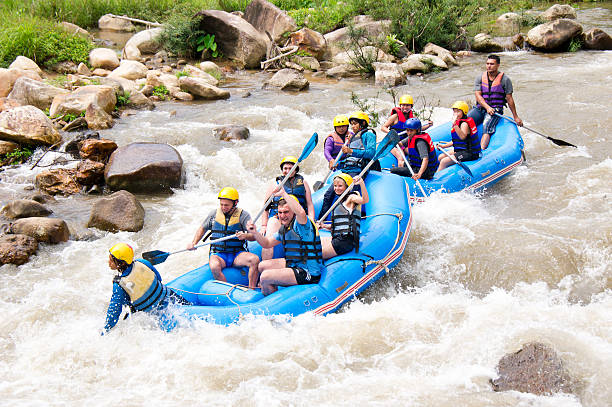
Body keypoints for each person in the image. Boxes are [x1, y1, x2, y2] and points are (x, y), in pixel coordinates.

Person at [246, 190, 324, 296]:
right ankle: (272, 289)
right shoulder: (284, 229)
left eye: (286, 212)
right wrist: (254, 232)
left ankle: (272, 301)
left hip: (308, 271)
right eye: (280, 212)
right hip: (294, 264)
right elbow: (267, 243)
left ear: (293, 212)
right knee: (262, 266)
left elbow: (301, 212)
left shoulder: (302, 224)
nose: (282, 215)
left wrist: (284, 194)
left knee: (264, 276)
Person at [103, 243, 191, 334]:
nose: (108, 262)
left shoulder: (119, 285)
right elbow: (159, 278)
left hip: (156, 314)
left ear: (121, 263)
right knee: (189, 308)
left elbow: (114, 311)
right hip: (171, 297)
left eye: (111, 260)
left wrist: (105, 330)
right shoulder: (142, 262)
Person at [187, 187, 260, 288]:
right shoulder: (214, 214)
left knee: (255, 260)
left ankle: (251, 288)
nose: (223, 207)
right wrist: (194, 243)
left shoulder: (243, 215)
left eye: (226, 205)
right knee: (214, 266)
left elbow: (253, 236)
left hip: (236, 254)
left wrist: (245, 236)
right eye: (221, 204)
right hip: (218, 254)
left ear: (235, 203)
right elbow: (202, 228)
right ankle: (228, 291)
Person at [320, 111, 376, 217]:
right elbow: (349, 159)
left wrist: (350, 151)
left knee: (348, 195)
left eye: (355, 124)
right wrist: (338, 164)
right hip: (347, 170)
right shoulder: (353, 137)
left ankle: (349, 219)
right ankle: (320, 221)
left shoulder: (369, 135)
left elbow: (371, 153)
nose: (352, 127)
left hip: (358, 170)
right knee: (328, 194)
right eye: (352, 124)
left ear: (363, 123)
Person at [260, 156, 315, 260]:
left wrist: (312, 220)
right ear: (282, 170)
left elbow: (309, 204)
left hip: (297, 217)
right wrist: (263, 225)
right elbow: (265, 207)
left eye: (291, 168)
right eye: (285, 168)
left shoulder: (303, 182)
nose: (287, 171)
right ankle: (265, 263)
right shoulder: (274, 184)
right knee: (269, 236)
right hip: (279, 217)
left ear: (295, 170)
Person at [468, 54, 523, 150]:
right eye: (487, 63)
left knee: (487, 126)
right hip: (481, 108)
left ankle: (481, 150)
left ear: (498, 65)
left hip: (495, 109)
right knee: (466, 121)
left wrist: (515, 117)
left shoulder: (505, 80)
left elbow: (509, 99)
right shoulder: (480, 77)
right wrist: (487, 107)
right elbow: (478, 95)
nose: (489, 66)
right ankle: (463, 146)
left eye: (492, 64)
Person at [317, 173, 368, 259]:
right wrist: (324, 226)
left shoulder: (351, 197)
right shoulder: (339, 199)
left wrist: (361, 183)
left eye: (340, 186)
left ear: (347, 187)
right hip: (338, 238)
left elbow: (364, 200)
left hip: (345, 241)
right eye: (335, 186)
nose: (336, 188)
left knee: (313, 255)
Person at [383, 95, 433, 167]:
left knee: (416, 154)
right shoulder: (395, 116)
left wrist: (428, 125)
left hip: (405, 143)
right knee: (401, 158)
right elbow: (383, 127)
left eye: (407, 105)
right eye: (403, 105)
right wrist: (391, 133)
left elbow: (419, 129)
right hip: (394, 143)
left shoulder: (413, 118)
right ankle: (401, 172)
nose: (405, 107)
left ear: (411, 106)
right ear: (400, 105)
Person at [437, 101, 480, 172]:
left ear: (464, 112)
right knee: (440, 157)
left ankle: (437, 180)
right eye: (454, 112)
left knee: (444, 161)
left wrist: (455, 125)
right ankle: (447, 172)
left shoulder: (464, 124)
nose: (456, 114)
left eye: (458, 112)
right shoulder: (458, 122)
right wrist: (443, 146)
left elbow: (462, 137)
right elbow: (456, 141)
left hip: (469, 153)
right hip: (461, 151)